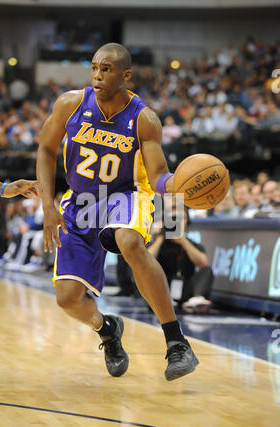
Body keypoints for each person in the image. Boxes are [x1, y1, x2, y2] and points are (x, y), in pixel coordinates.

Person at [37, 42, 199, 382]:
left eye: (106, 69)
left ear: (125, 75)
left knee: (129, 242)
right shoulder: (70, 103)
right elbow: (46, 149)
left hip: (124, 195)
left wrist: (178, 185)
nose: (97, 74)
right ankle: (107, 329)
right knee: (67, 299)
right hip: (79, 201)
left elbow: (157, 175)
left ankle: (176, 341)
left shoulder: (144, 119)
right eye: (95, 67)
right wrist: (47, 205)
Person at [148, 206, 213, 314]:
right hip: (163, 288)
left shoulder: (192, 243)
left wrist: (183, 240)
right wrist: (161, 237)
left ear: (187, 222)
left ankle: (197, 299)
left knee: (207, 270)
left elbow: (203, 263)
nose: (177, 221)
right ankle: (164, 302)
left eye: (182, 218)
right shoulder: (158, 242)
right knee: (149, 274)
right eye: (173, 218)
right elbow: (146, 262)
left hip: (186, 289)